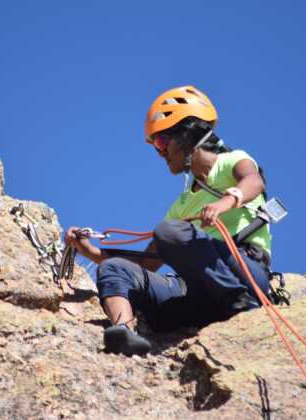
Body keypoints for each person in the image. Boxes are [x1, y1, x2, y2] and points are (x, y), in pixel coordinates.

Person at [65, 86, 272, 356]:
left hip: (244, 273)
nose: (160, 152)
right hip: (198, 295)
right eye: (156, 146)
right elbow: (147, 264)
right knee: (114, 268)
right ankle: (123, 333)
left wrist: (225, 202)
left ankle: (240, 302)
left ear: (187, 135)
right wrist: (88, 251)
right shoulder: (181, 205)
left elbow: (254, 181)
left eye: (162, 142)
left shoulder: (231, 161)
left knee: (169, 231)